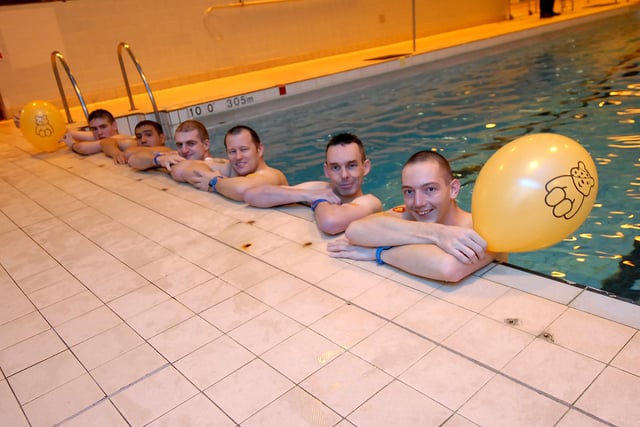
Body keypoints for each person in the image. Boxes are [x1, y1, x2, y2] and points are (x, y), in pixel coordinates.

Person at [327, 150, 502, 283]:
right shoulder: (410, 214)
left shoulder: (483, 228)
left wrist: (378, 252)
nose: (418, 203)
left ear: (454, 189)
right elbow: (356, 230)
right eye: (409, 191)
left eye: (430, 189)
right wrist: (437, 233)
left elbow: (447, 268)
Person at [244, 132, 382, 235]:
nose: (344, 175)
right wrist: (307, 195)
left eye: (351, 165)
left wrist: (318, 200)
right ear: (326, 171)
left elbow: (331, 223)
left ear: (366, 167)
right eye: (335, 167)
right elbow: (251, 195)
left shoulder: (370, 203)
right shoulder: (318, 189)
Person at [129, 121, 287, 202]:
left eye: (244, 149)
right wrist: (159, 159)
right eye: (232, 151)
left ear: (259, 149)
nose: (238, 157)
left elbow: (241, 189)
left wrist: (214, 182)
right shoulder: (230, 166)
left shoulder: (272, 174)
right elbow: (179, 169)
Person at [63, 109, 136, 155]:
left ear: (114, 125)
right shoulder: (104, 136)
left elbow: (83, 148)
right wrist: (64, 131)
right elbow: (90, 136)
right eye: (94, 129)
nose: (99, 132)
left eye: (103, 127)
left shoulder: (120, 138)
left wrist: (72, 144)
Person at [101, 120, 167, 164]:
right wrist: (117, 154)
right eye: (139, 137)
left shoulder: (169, 150)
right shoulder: (138, 145)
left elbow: (129, 152)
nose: (143, 140)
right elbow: (105, 142)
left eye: (148, 135)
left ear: (162, 138)